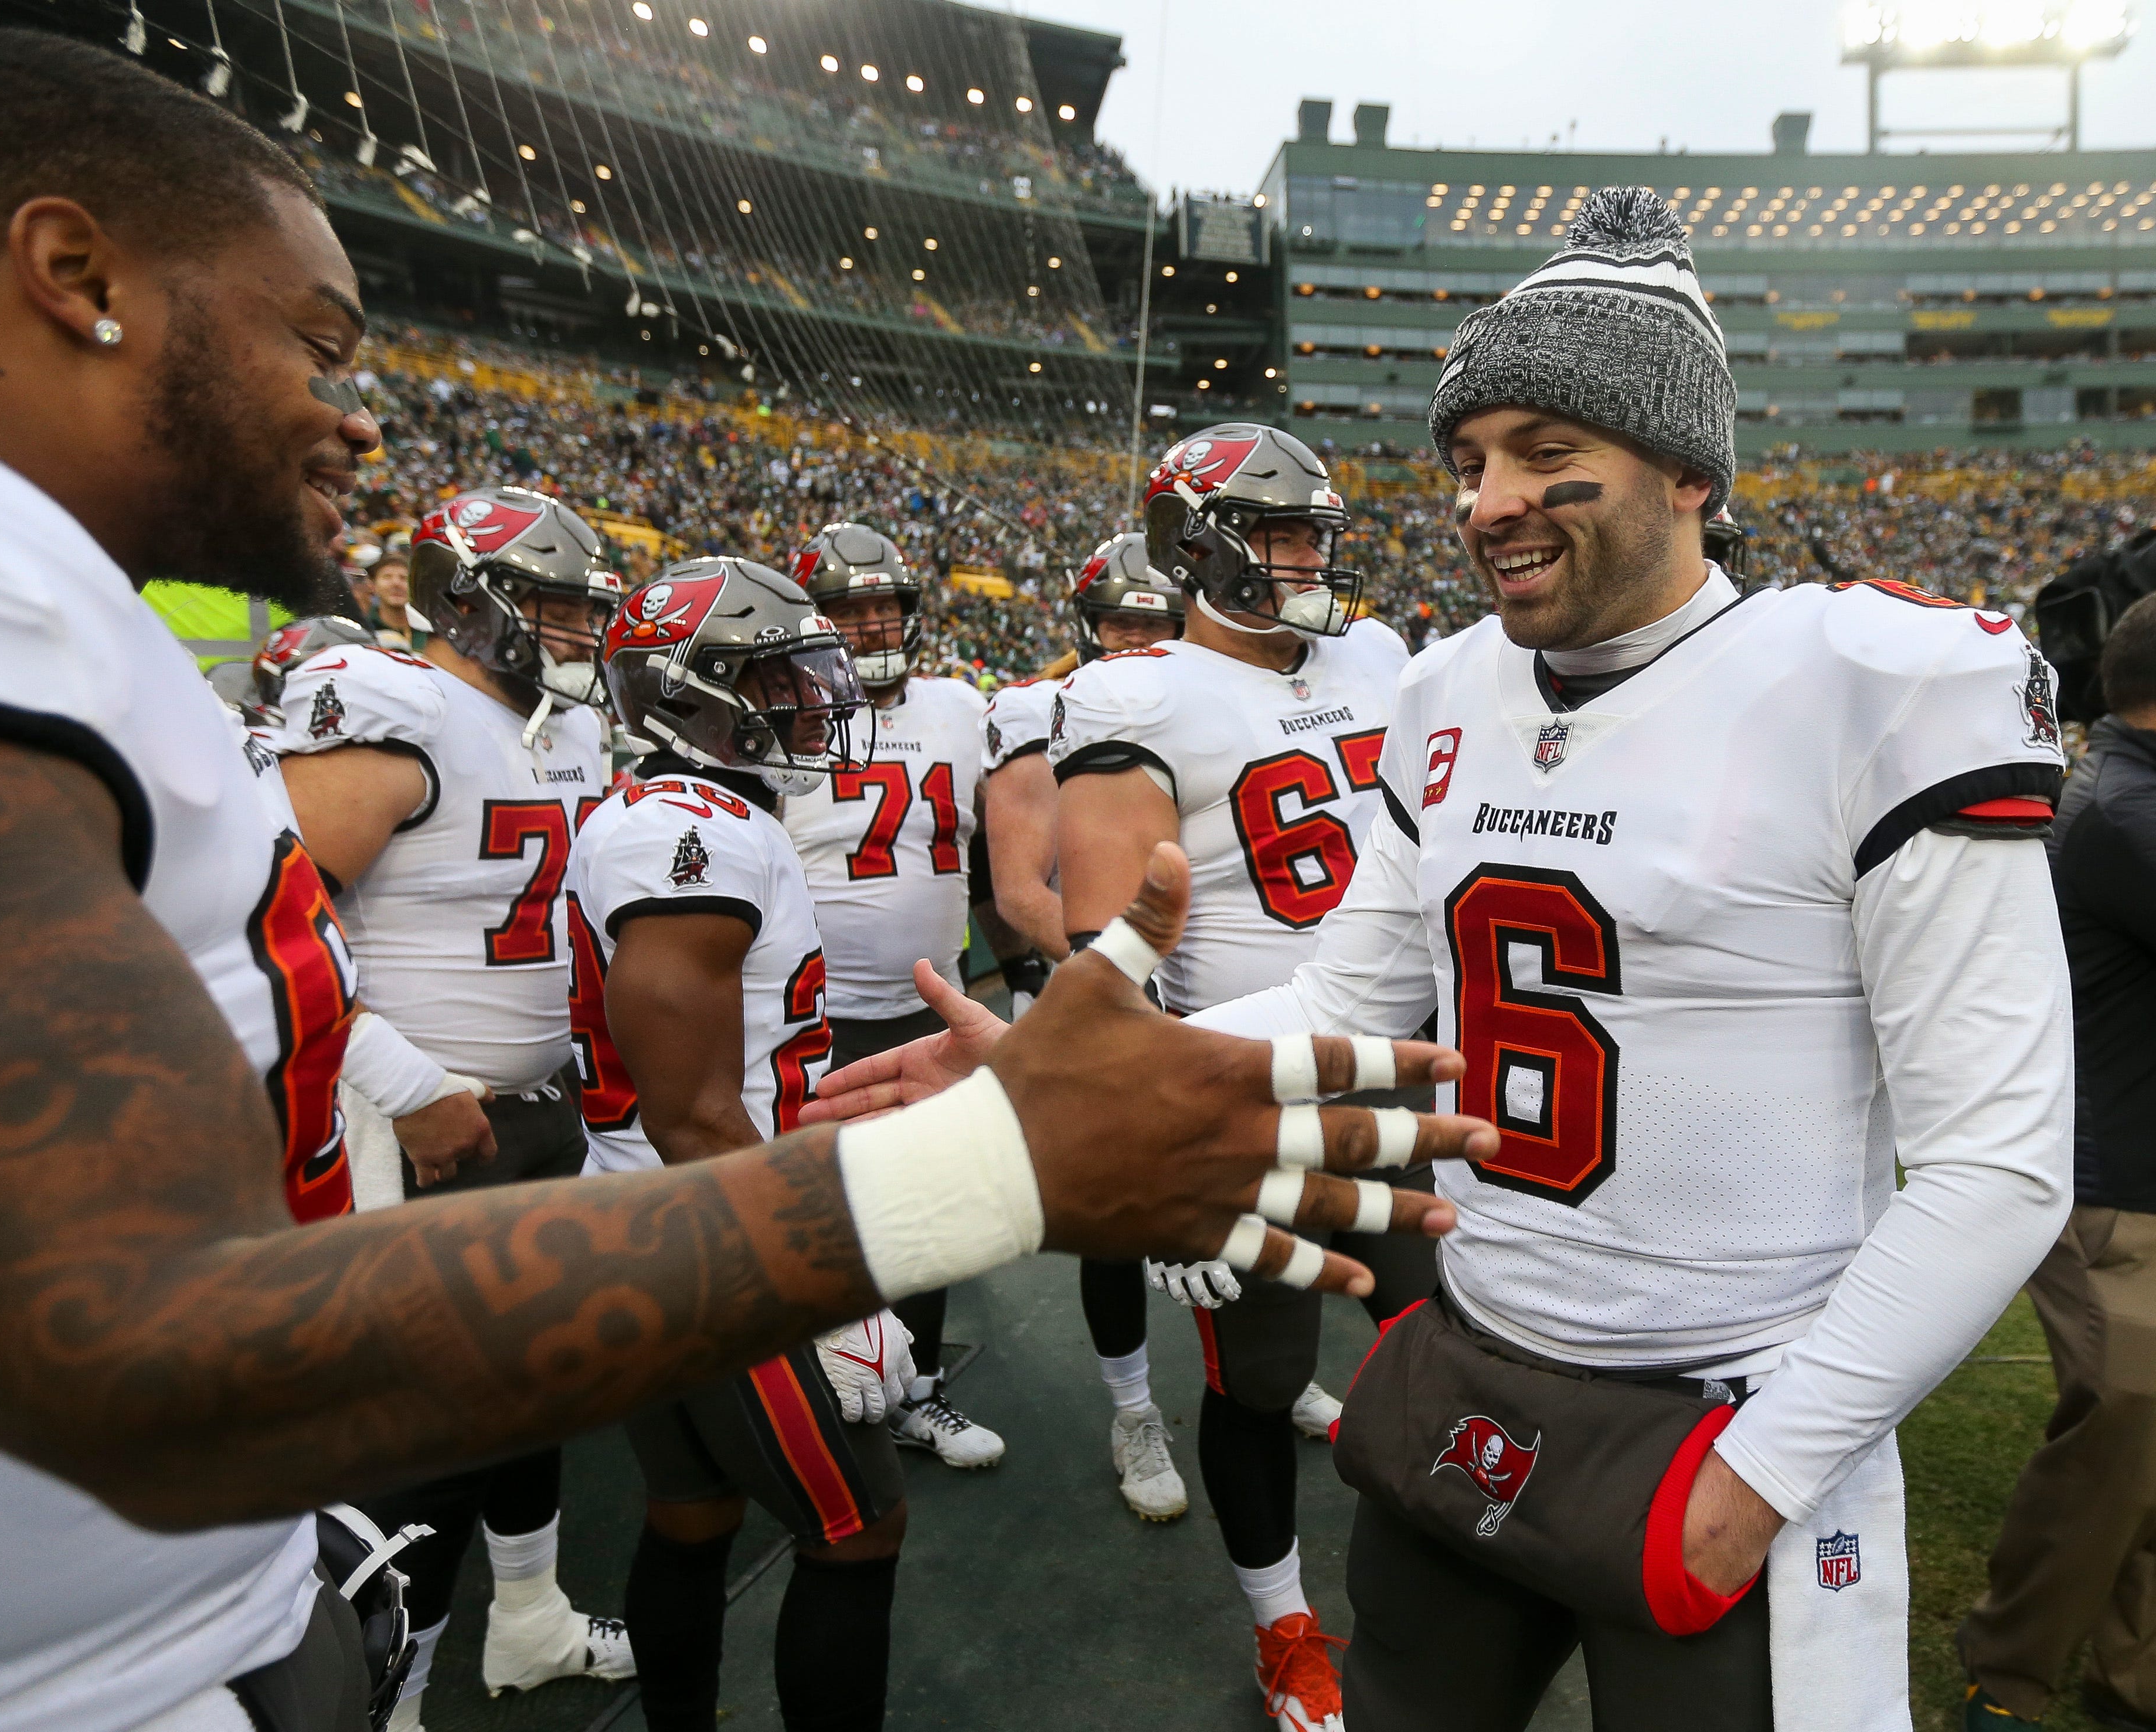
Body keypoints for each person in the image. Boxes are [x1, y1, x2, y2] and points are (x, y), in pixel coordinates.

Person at [0, 33, 1497, 1732]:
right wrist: (989, 1172)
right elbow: (123, 1342)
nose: (359, 422)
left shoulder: (8, 603)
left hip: (112, 1622)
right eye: (317, 340)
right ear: (75, 275)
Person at [810, 188, 2073, 1732]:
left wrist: (1761, 1477)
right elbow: (1348, 1001)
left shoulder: (1878, 681)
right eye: (1470, 460)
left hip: (1734, 1400)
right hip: (1475, 1354)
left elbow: (1999, 1162)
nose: (1486, 500)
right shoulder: (1448, 688)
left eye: (1548, 452)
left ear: (1688, 467)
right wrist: (1088, 1064)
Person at [1047, 426, 1416, 1732]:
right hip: (1250, 1090)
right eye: (1276, 530)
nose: (1308, 553)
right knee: (1258, 1380)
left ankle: (1441, 1594)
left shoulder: (1379, 656)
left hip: (1418, 1073)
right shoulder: (1134, 697)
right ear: (1191, 546)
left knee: (1462, 1346)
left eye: (1315, 527)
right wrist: (1164, 1161)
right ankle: (1286, 1630)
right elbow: (1110, 953)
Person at [264, 487, 631, 1726]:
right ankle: (382, 1692)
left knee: (532, 1384)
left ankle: (526, 1619)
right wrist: (410, 1088)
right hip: (409, 1126)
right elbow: (265, 931)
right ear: (469, 597)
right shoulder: (394, 702)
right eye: (557, 604)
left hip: (534, 1111)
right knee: (410, 1439)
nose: (581, 628)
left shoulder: (553, 728)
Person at [567, 557, 918, 1731]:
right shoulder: (687, 828)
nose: (816, 693)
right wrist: (813, 1285)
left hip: (651, 1228)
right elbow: (689, 1110)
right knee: (860, 1525)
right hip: (714, 1243)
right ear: (690, 693)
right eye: (779, 672)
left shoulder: (687, 814)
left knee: (692, 1511)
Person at [1959, 593, 2156, 1732]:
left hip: (2133, 1160)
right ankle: (2009, 1665)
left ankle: (2132, 1679)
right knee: (2122, 1430)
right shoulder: (2124, 809)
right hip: (2109, 1182)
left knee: (2148, 1445)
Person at [780, 521, 1006, 1470]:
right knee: (817, 1211)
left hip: (931, 1009)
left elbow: (997, 847)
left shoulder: (961, 705)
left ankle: (917, 1389)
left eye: (885, 605)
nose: (872, 623)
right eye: (849, 607)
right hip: (809, 1017)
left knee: (929, 1207)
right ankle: (812, 1380)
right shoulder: (779, 713)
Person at [980, 532, 1195, 1522]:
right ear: (1085, 623)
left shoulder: (1216, 696)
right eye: (1119, 621)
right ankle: (1132, 1408)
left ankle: (1264, 1375)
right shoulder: (1037, 709)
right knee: (1116, 1214)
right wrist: (1122, 994)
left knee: (1249, 1196)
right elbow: (1025, 890)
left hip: (1219, 1002)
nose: (1136, 638)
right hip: (1109, 991)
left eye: (1155, 621)